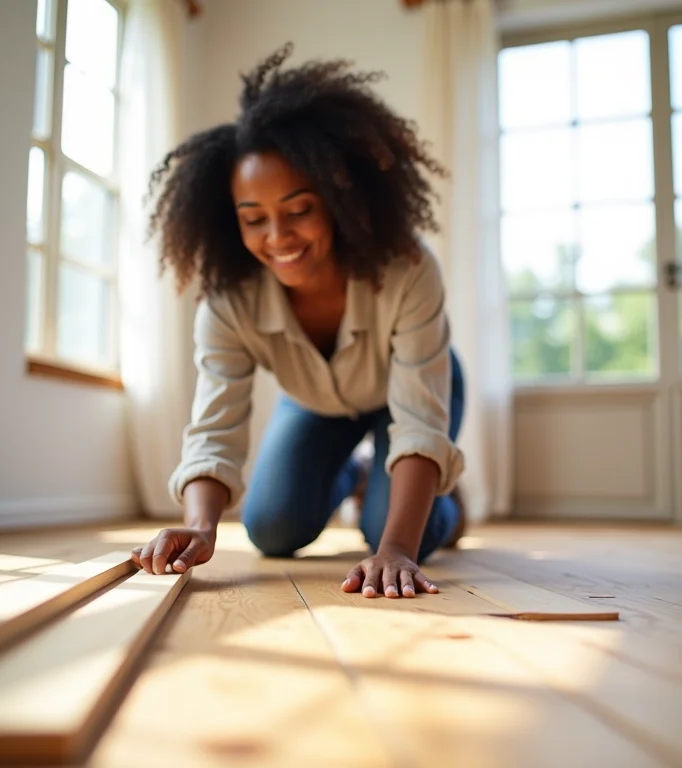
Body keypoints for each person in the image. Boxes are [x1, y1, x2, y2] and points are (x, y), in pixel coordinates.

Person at [131, 44, 466, 600]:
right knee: (272, 529)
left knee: (394, 532)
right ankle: (358, 474)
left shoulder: (407, 267)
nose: (277, 236)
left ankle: (445, 501)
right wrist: (201, 525)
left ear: (338, 197)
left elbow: (419, 424)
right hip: (315, 402)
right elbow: (215, 425)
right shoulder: (226, 303)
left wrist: (397, 549)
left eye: (300, 209)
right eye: (253, 218)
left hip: (414, 393)